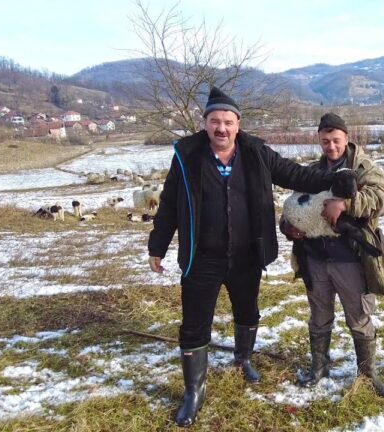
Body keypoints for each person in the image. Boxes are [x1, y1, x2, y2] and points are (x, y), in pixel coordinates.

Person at [147, 88, 353, 427]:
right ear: (205, 123)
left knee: (247, 310)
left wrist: (334, 177)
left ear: (238, 124)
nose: (222, 128)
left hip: (246, 254)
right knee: (195, 324)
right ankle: (193, 392)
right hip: (202, 257)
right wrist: (158, 245)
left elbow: (295, 175)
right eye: (215, 121)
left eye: (228, 122)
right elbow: (169, 202)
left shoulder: (257, 152)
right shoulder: (187, 155)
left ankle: (243, 359)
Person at [280, 113, 384, 396]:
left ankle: (367, 373)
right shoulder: (311, 172)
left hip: (352, 259)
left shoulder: (363, 168)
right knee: (319, 315)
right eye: (325, 141)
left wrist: (346, 204)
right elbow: (295, 205)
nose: (331, 146)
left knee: (358, 316)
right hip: (315, 259)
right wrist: (288, 227)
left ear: (346, 138)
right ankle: (319, 367)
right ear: (319, 140)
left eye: (336, 140)